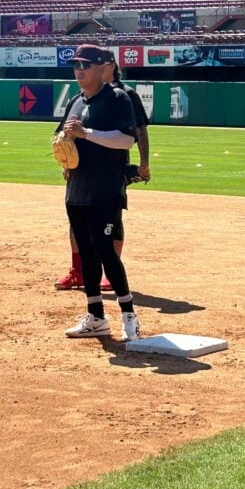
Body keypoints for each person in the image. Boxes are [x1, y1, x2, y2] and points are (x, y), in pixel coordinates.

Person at [57, 44, 141, 340]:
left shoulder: (117, 98)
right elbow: (62, 133)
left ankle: (129, 314)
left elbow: (125, 140)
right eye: (76, 66)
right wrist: (63, 146)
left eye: (85, 65)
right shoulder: (76, 100)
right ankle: (96, 316)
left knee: (106, 252)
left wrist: (86, 134)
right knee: (87, 253)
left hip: (105, 189)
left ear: (99, 69)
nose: (79, 70)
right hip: (77, 188)